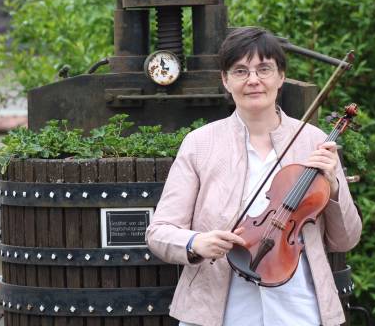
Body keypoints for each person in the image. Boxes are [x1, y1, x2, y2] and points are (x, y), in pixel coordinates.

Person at [146, 26, 362, 326]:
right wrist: (196, 242)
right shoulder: (199, 143)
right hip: (217, 309)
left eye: (264, 69)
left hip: (298, 308)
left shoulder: (313, 142)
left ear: (281, 76)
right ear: (225, 80)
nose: (253, 80)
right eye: (240, 71)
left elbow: (346, 239)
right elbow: (159, 232)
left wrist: (334, 187)